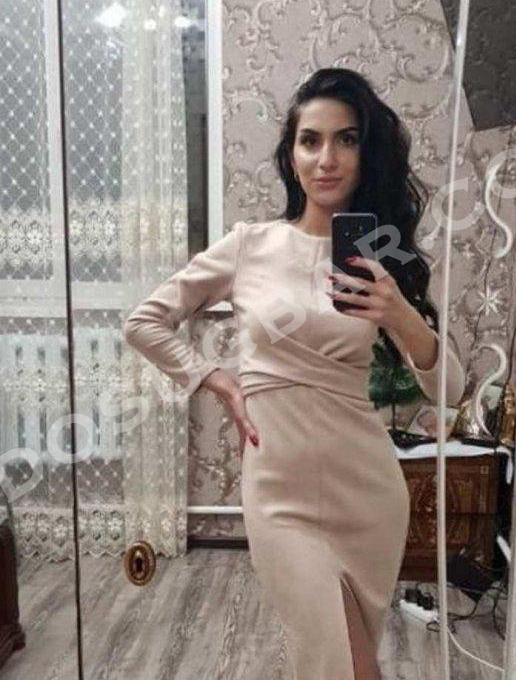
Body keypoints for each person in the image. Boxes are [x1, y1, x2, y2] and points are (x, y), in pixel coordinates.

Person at [124, 67, 465, 680]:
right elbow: (144, 322)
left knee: (352, 664)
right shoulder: (249, 245)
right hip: (278, 490)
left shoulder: (380, 255)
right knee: (338, 663)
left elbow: (451, 390)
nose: (326, 159)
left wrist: (400, 313)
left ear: (366, 153)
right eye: (311, 140)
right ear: (291, 154)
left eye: (346, 139)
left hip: (366, 489)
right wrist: (216, 379)